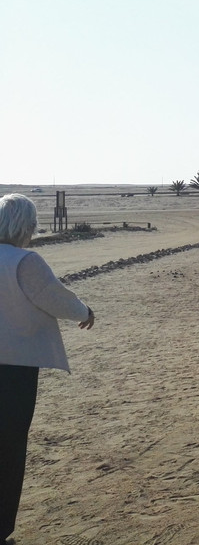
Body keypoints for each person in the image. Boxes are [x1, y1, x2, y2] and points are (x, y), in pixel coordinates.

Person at [0, 193, 95, 544]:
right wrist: (85, 312)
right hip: (14, 370)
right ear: (25, 226)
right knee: (9, 448)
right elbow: (54, 297)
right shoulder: (25, 261)